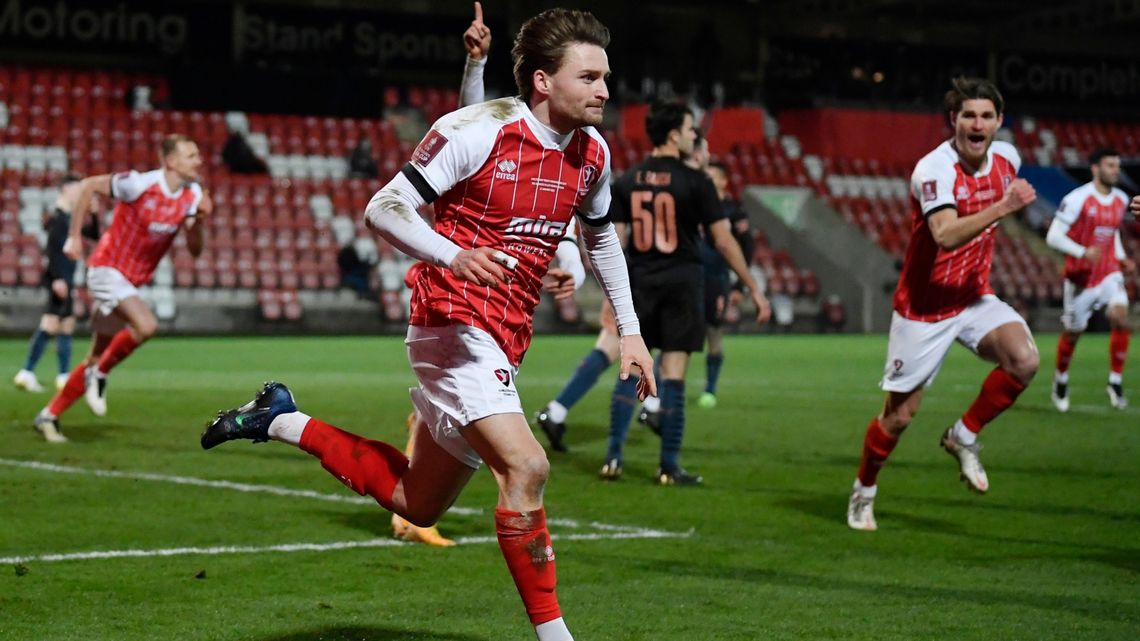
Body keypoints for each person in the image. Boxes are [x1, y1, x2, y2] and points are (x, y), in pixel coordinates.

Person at [201, 10, 655, 641]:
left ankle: (280, 419)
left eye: (605, 76)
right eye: (590, 77)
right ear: (544, 81)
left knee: (417, 502)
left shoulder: (592, 153)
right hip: (451, 319)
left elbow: (599, 237)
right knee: (527, 467)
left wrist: (629, 330)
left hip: (506, 333)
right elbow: (383, 206)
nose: (605, 89)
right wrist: (453, 255)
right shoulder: (476, 130)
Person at [846, 78, 1038, 532]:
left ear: (999, 121)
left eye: (986, 116)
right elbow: (945, 234)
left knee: (1024, 360)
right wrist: (1003, 207)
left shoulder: (1008, 158)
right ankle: (863, 492)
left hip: (972, 297)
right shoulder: (934, 169)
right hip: (924, 309)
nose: (977, 124)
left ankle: (963, 434)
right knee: (899, 417)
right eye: (968, 115)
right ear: (954, 120)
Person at [600, 99, 770, 485]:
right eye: (692, 129)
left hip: (640, 284)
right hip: (682, 285)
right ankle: (668, 466)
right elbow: (724, 240)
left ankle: (613, 457)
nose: (696, 135)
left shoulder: (628, 180)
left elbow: (615, 243)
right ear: (675, 134)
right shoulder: (696, 182)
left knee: (630, 371)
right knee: (674, 374)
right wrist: (752, 286)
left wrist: (612, 297)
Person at [33, 135, 210, 443]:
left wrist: (200, 220)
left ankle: (49, 415)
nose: (199, 161)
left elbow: (195, 250)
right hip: (106, 269)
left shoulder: (192, 195)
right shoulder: (138, 184)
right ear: (171, 161)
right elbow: (89, 185)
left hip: (130, 281)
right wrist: (74, 237)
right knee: (147, 325)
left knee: (94, 356)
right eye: (191, 155)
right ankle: (101, 374)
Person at [1047, 147, 1134, 411]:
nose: (1116, 171)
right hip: (1080, 277)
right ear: (1095, 168)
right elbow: (1053, 236)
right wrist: (1082, 252)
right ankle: (1061, 378)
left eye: (1117, 166)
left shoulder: (1121, 199)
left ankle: (1115, 381)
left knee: (1120, 318)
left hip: (1109, 272)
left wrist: (1121, 257)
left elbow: (1112, 233)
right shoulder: (1077, 199)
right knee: (1073, 334)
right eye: (1110, 165)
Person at [14, 174, 99, 393]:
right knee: (51, 324)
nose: (79, 193)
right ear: (65, 190)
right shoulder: (57, 218)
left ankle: (60, 375)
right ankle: (29, 372)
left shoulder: (68, 218)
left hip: (64, 278)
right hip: (59, 279)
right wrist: (57, 279)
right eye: (76, 189)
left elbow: (94, 235)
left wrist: (94, 214)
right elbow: (51, 251)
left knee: (65, 324)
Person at [696, 159, 754, 408]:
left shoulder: (733, 210)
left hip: (718, 279)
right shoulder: (694, 205)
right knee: (676, 333)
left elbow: (746, 248)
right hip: (692, 276)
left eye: (712, 177)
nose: (707, 181)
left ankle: (710, 387)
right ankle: (661, 391)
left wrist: (740, 285)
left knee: (714, 333)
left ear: (723, 181)